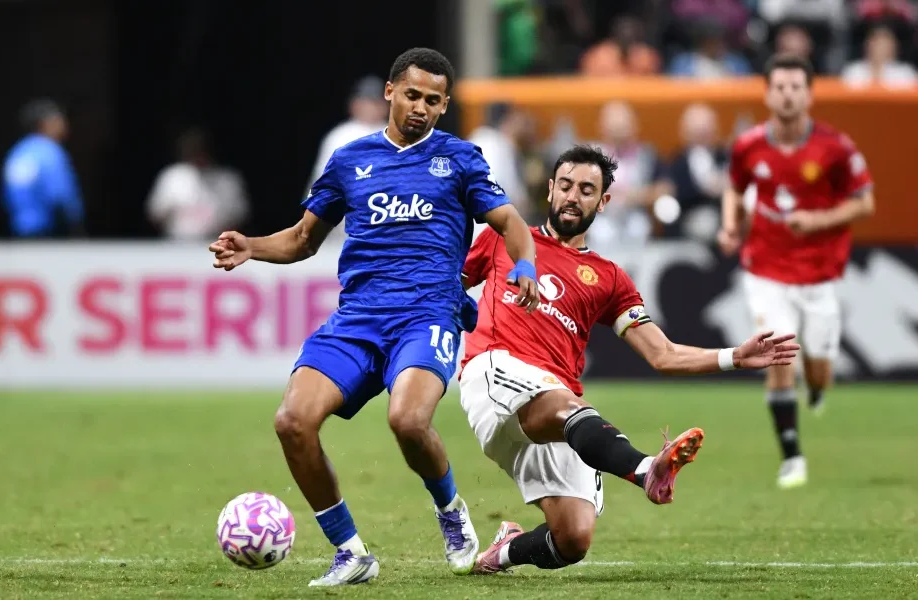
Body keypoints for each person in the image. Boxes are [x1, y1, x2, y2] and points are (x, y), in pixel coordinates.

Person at [208, 47, 541, 587]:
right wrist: (252, 246)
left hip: (427, 314)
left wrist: (525, 264)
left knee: (408, 420)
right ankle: (350, 552)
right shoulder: (349, 160)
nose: (420, 108)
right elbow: (302, 240)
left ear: (444, 106)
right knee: (292, 422)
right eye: (412, 95)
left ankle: (450, 510)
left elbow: (511, 223)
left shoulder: (459, 159)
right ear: (390, 92)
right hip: (359, 318)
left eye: (433, 101)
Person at [459, 144, 799, 574]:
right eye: (566, 185)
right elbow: (448, 284)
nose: (573, 196)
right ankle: (645, 469)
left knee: (572, 538)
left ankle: (501, 554)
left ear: (603, 201)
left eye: (586, 190)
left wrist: (734, 356)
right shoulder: (503, 238)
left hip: (554, 400)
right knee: (566, 407)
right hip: (495, 370)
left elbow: (663, 353)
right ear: (550, 189)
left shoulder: (609, 278)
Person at [717, 54, 875, 489]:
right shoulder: (749, 145)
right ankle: (792, 456)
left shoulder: (835, 147)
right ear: (768, 94)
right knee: (779, 355)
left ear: (809, 94)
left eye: (795, 87)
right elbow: (735, 190)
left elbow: (865, 202)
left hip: (819, 274)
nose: (787, 94)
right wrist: (730, 226)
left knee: (819, 372)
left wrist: (819, 220)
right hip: (765, 270)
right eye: (780, 87)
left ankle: (817, 386)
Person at [2, 99, 84, 238]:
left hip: (20, 229)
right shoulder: (49, 151)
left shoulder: (17, 151)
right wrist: (76, 225)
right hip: (48, 231)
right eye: (59, 120)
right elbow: (60, 196)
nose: (64, 125)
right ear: (44, 123)